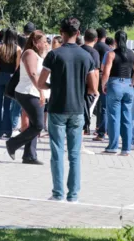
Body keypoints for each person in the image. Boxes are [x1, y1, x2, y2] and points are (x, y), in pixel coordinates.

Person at [38, 18, 97, 202]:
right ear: (78, 33)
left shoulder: (54, 55)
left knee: (57, 152)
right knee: (74, 154)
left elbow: (41, 82)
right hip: (77, 108)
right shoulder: (86, 56)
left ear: (60, 32)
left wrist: (52, 86)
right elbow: (93, 88)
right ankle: (73, 195)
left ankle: (58, 193)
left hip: (57, 107)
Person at [6, 30, 49, 165]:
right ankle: (12, 144)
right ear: (36, 43)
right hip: (27, 92)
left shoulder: (37, 54)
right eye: (43, 42)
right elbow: (32, 74)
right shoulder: (29, 53)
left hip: (34, 92)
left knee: (34, 124)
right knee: (38, 125)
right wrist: (41, 91)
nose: (46, 44)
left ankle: (29, 155)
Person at [102, 31, 134, 156]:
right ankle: (126, 148)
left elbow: (106, 72)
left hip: (115, 84)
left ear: (115, 40)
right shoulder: (132, 53)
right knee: (127, 117)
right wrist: (132, 83)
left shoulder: (111, 54)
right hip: (128, 86)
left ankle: (113, 146)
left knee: (114, 117)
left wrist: (103, 84)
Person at [0, 29, 21, 139]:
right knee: (7, 105)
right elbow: (17, 67)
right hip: (10, 79)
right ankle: (7, 130)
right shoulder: (17, 49)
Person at [81, 29, 100, 135]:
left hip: (78, 86)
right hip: (88, 87)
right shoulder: (94, 53)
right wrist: (95, 89)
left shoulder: (79, 49)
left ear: (84, 38)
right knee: (87, 113)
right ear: (96, 39)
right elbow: (95, 73)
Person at [93, 28, 111, 141]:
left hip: (93, 75)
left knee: (96, 104)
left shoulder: (94, 46)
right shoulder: (107, 48)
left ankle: (97, 127)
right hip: (103, 76)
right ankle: (102, 130)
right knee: (104, 105)